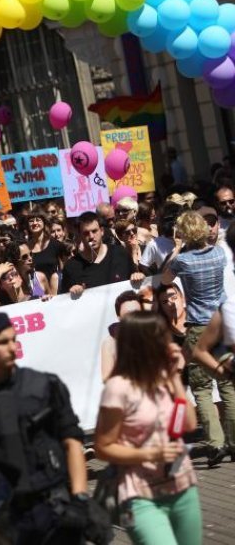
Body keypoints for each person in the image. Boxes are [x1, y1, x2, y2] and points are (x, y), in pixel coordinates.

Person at [0, 312, 106, 544]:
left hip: (56, 506)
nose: (12, 348)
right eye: (2, 342)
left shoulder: (45, 386)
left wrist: (80, 498)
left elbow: (73, 443)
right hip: (5, 518)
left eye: (13, 340)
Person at [95, 312, 201, 545]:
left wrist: (174, 377)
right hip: (140, 496)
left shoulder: (164, 377)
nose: (169, 343)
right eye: (162, 338)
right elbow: (103, 447)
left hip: (183, 487)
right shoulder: (117, 388)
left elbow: (189, 424)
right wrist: (151, 454)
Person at [162, 210, 230, 464]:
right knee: (227, 383)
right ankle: (233, 441)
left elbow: (166, 278)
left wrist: (178, 247)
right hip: (222, 323)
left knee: (201, 387)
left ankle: (215, 442)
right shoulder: (219, 253)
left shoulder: (184, 261)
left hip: (199, 326)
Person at [59, 212, 144, 296]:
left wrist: (138, 276)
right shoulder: (71, 267)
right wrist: (72, 292)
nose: (91, 236)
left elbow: (135, 279)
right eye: (86, 233)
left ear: (102, 231)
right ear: (80, 236)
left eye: (94, 231)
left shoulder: (120, 253)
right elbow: (64, 302)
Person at [100, 291, 144, 381]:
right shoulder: (110, 343)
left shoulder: (153, 334)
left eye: (137, 312)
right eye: (127, 315)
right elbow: (107, 380)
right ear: (119, 317)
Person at [24, 208, 59, 293]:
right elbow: (24, 275)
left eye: (38, 220)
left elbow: (63, 269)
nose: (35, 223)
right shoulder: (24, 248)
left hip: (57, 291)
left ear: (44, 223)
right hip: (38, 293)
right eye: (31, 221)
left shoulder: (55, 244)